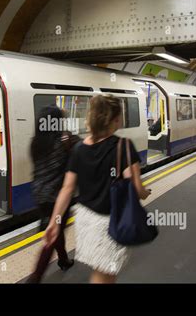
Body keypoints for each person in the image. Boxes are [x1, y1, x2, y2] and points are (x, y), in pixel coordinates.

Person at [43, 95, 151, 284]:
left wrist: (54, 222)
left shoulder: (78, 149)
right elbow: (134, 186)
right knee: (104, 276)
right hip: (109, 223)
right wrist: (144, 192)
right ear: (116, 120)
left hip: (85, 221)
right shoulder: (123, 146)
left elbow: (67, 189)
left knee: (102, 272)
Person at [27, 106, 80, 283]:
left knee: (55, 229)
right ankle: (35, 277)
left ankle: (64, 259)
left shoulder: (36, 142)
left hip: (39, 195)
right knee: (52, 234)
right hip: (57, 198)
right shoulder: (66, 141)